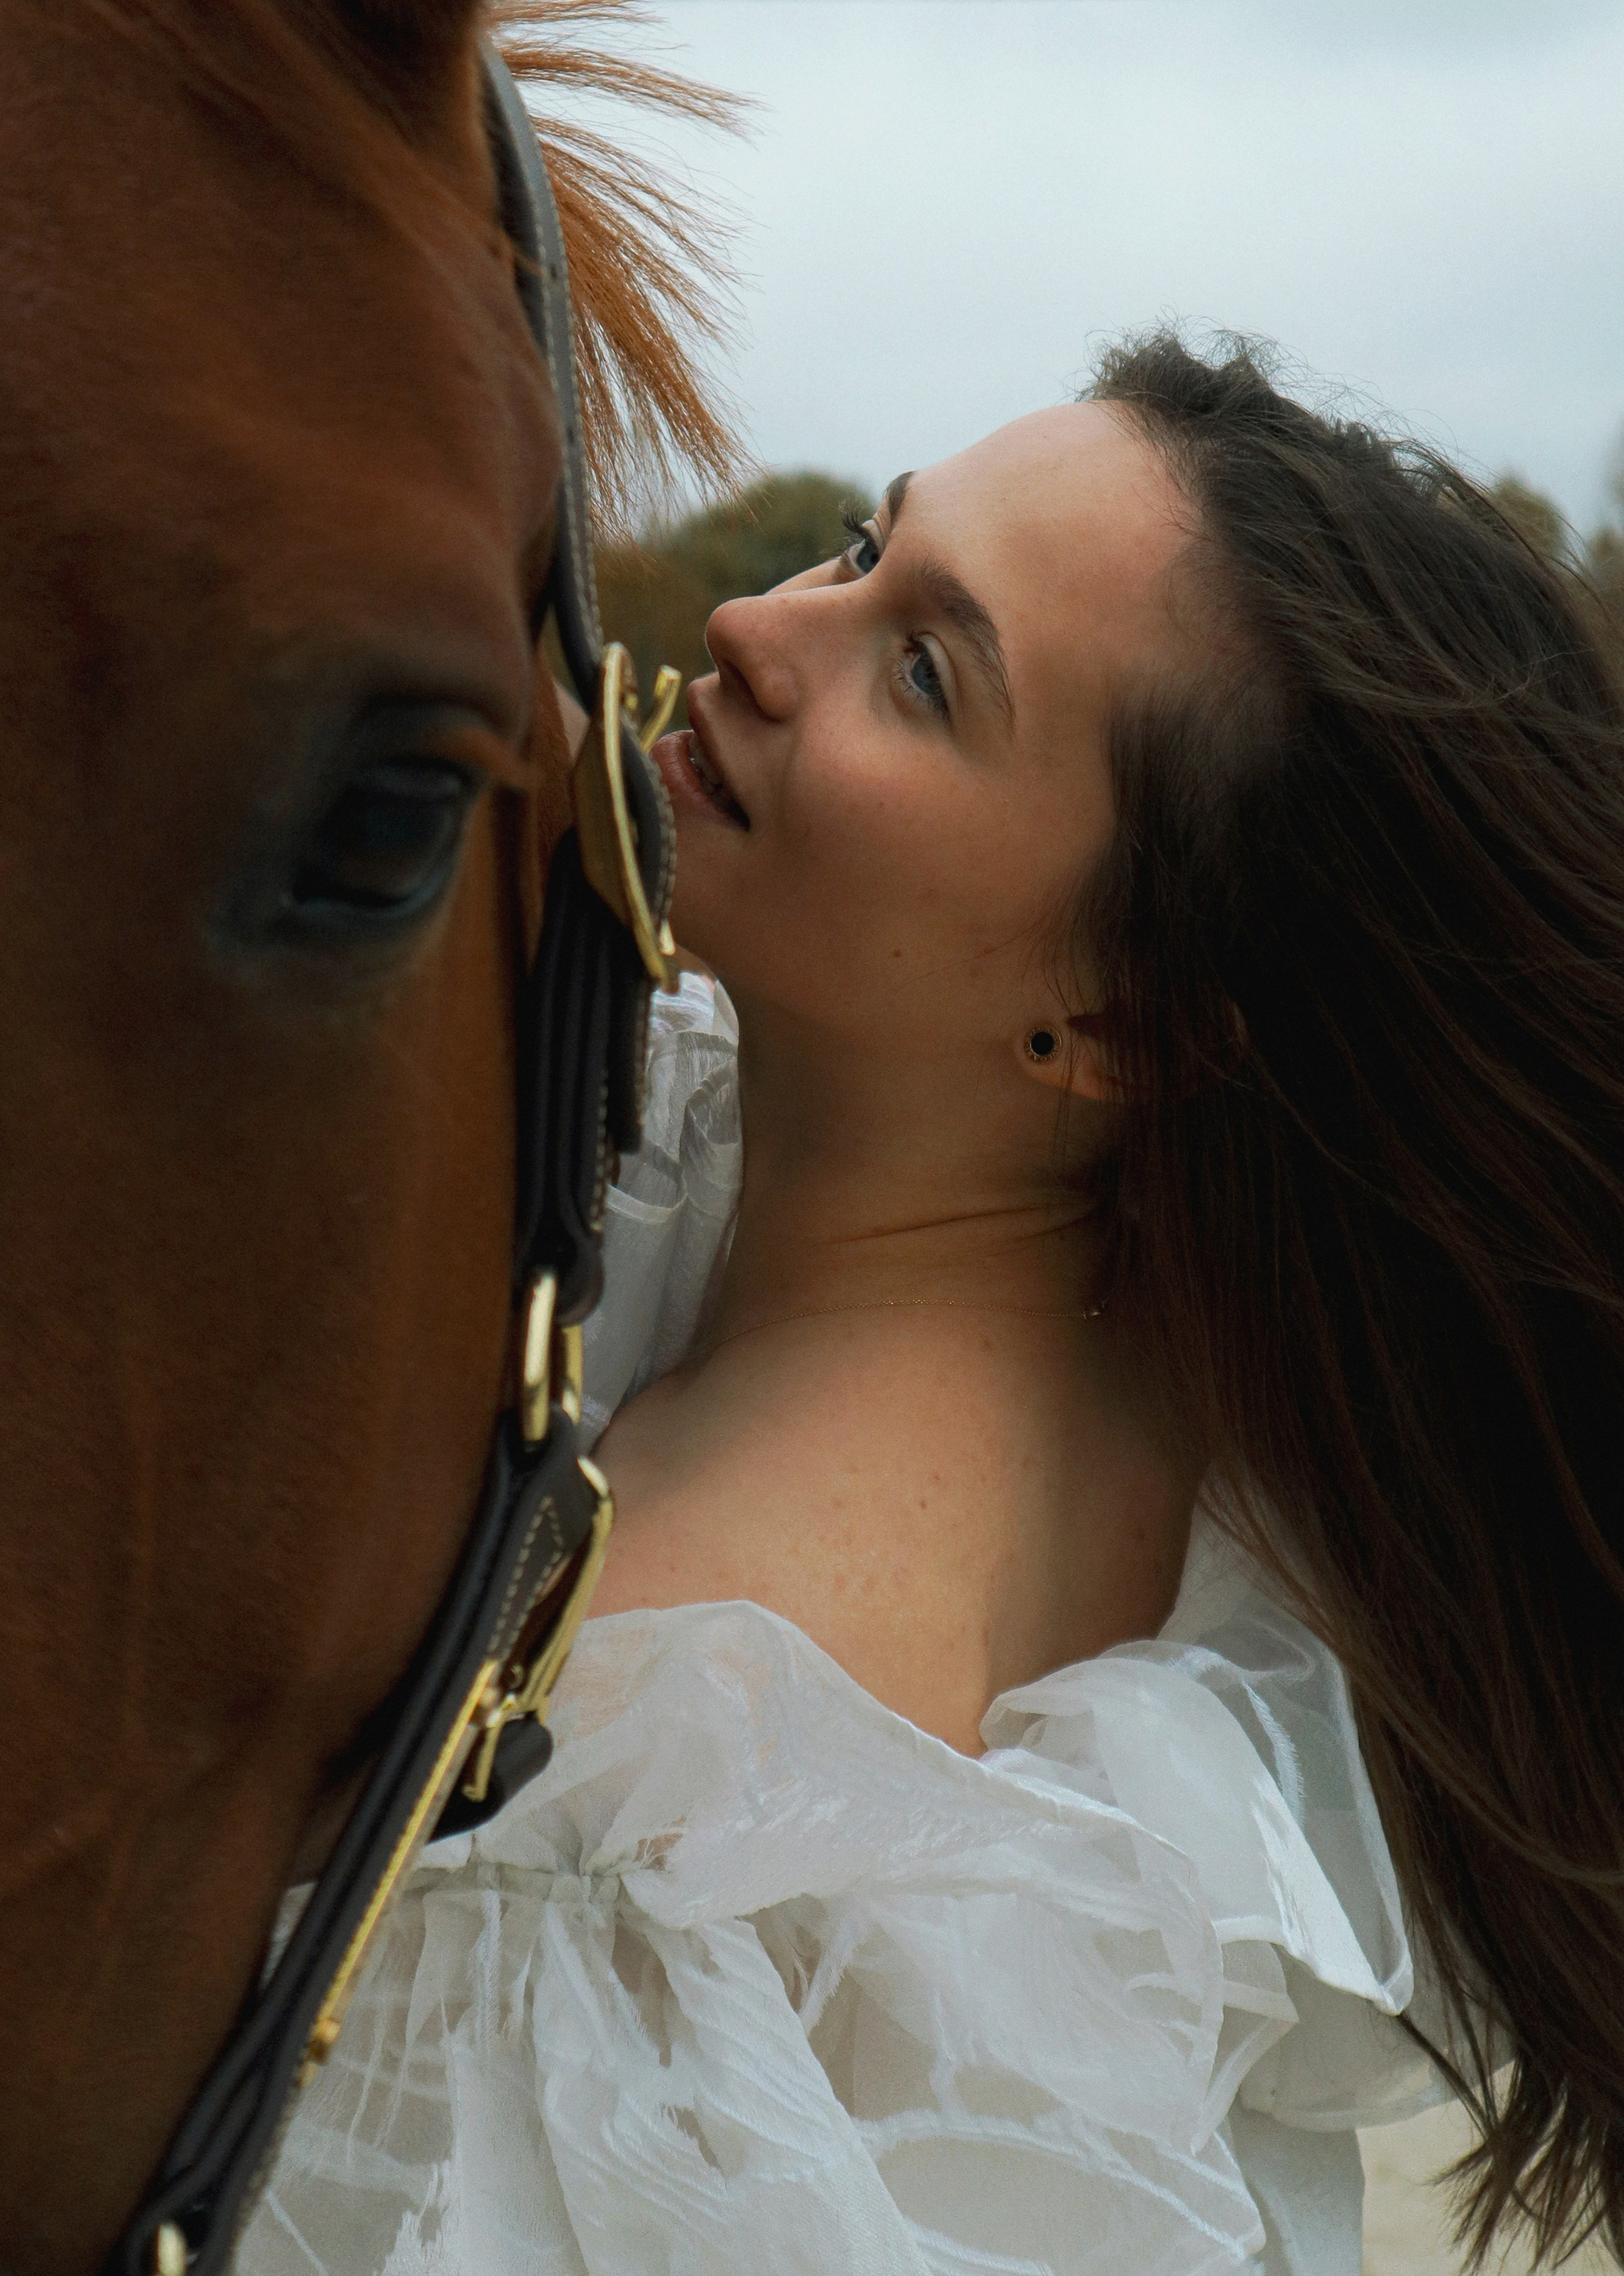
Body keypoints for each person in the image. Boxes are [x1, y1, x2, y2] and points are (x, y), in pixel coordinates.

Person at [240, 334, 1624, 2276]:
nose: (744, 627)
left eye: (921, 675)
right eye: (850, 549)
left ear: (1124, 1026)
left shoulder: (655, 1749)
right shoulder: (1131, 1363)